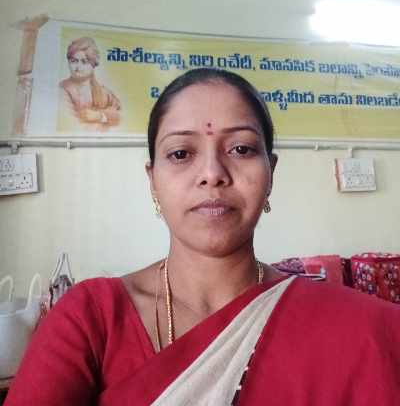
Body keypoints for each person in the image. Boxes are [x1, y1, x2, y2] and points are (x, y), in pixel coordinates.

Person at [5, 68, 400, 405]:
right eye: (181, 153)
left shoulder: (362, 330)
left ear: (271, 173)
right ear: (153, 180)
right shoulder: (92, 319)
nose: (212, 173)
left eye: (241, 149)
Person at [58, 37, 121, 131]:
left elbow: (119, 115)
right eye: (74, 61)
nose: (78, 67)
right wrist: (106, 122)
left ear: (93, 64)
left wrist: (100, 116)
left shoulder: (103, 91)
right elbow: (71, 125)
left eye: (84, 62)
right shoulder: (63, 89)